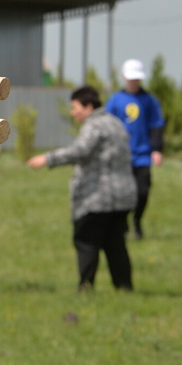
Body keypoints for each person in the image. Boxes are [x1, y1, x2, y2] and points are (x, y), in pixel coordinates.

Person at [27, 86, 136, 292]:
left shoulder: (94, 125)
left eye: (74, 107)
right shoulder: (117, 124)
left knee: (86, 242)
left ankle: (86, 286)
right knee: (115, 245)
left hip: (97, 197)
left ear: (88, 107)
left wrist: (48, 159)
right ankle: (124, 287)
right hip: (122, 196)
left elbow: (80, 151)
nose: (72, 112)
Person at [105, 59, 165, 239]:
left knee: (142, 191)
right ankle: (121, 226)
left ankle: (137, 220)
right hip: (121, 155)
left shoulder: (149, 101)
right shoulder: (115, 100)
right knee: (122, 192)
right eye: (131, 79)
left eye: (137, 79)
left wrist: (156, 150)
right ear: (124, 77)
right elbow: (107, 126)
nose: (134, 82)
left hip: (142, 155)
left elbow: (156, 125)